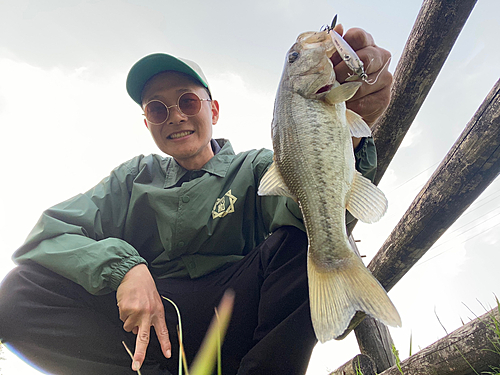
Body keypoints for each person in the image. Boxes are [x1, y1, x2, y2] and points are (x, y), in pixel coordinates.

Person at [0, 26, 392, 375]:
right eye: (157, 108)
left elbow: (302, 208)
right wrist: (124, 269)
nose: (175, 116)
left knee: (302, 242)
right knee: (17, 293)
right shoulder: (132, 178)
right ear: (147, 122)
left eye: (187, 101)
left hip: (238, 321)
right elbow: (47, 236)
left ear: (213, 110)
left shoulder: (255, 167)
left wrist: (352, 132)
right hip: (148, 331)